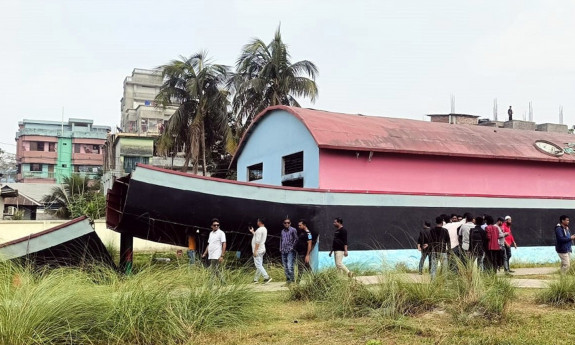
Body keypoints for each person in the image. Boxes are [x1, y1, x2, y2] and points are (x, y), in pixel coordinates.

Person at [201, 218, 226, 283]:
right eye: (214, 225)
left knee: (212, 269)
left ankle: (210, 285)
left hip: (216, 254)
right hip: (211, 255)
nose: (216, 226)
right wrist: (204, 253)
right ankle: (223, 282)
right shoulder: (211, 233)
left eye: (218, 225)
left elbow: (224, 243)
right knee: (215, 269)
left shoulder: (221, 233)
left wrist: (222, 256)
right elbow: (209, 244)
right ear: (211, 226)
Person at [249, 217, 272, 284]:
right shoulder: (264, 229)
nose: (257, 222)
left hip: (258, 250)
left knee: (258, 265)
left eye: (257, 221)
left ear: (259, 222)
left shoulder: (259, 230)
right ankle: (256, 279)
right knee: (259, 264)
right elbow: (258, 237)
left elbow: (258, 241)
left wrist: (255, 251)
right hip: (262, 249)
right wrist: (253, 232)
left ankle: (266, 277)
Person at [279, 217, 298, 284]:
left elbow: (296, 239)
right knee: (285, 266)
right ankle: (288, 280)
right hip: (283, 250)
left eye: (288, 223)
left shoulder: (293, 230)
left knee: (290, 265)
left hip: (290, 250)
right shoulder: (282, 231)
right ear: (283, 224)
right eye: (285, 223)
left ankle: (292, 280)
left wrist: (292, 247)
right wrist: (280, 248)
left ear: (290, 223)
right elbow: (281, 239)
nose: (287, 224)